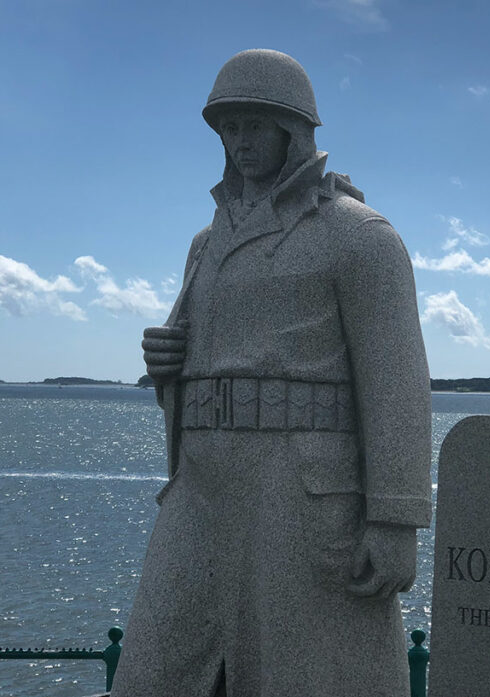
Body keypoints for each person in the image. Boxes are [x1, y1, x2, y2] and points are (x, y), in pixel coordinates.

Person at [111, 49, 432, 697]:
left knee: (312, 675)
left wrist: (395, 519)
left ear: (297, 131)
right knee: (155, 671)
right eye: (229, 127)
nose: (240, 140)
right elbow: (198, 375)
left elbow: (395, 381)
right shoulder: (206, 246)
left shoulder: (360, 236)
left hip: (305, 500)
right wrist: (171, 370)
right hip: (201, 493)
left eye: (255, 124)